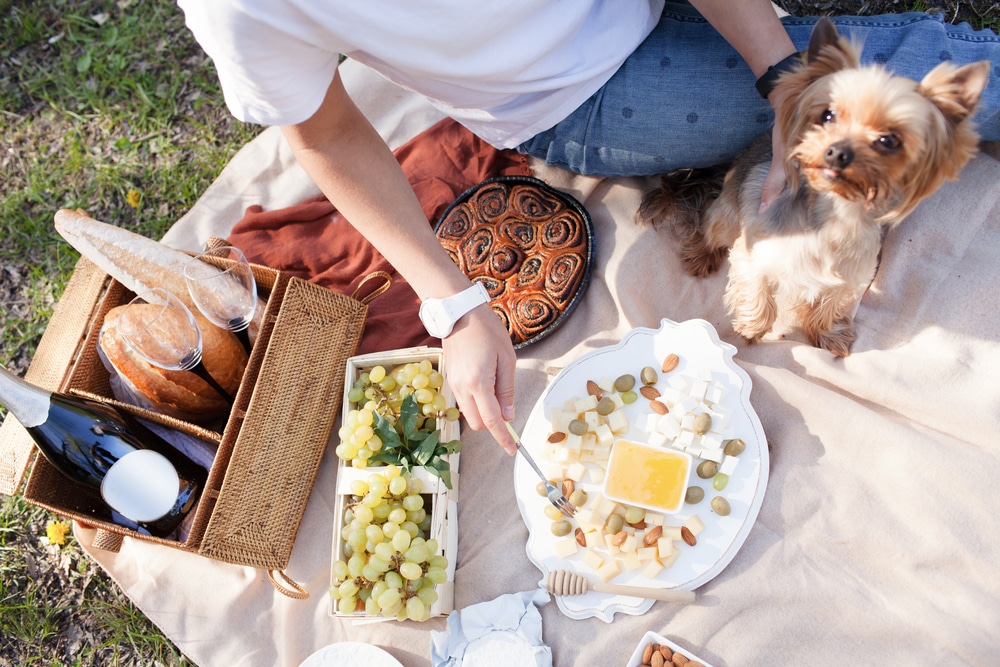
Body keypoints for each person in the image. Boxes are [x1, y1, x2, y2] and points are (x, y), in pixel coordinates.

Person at [177, 0, 1000, 455]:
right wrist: (454, 306)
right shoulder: (241, 9)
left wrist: (781, 76)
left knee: (921, 92)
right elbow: (323, 136)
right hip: (585, 85)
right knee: (932, 69)